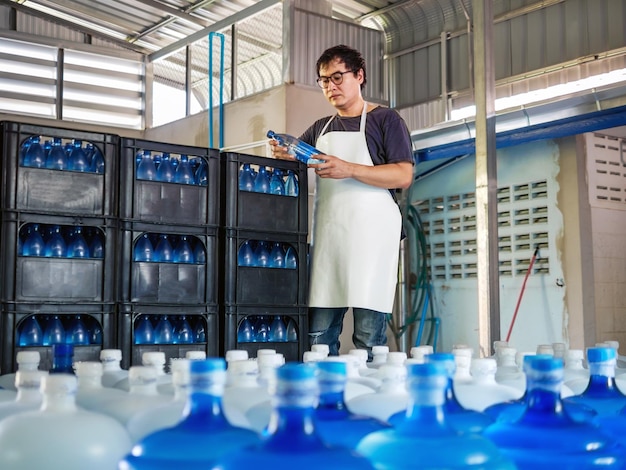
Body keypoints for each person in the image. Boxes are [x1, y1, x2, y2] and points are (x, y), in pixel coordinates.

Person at [269, 44, 414, 359]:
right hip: (330, 241)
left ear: (359, 76)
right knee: (318, 337)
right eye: (324, 81)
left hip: (372, 242)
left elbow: (403, 175)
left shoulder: (386, 120)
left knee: (367, 337)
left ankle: (371, 400)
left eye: (338, 77)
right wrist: (285, 153)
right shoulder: (320, 129)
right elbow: (295, 162)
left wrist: (348, 168)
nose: (330, 87)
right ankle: (324, 401)